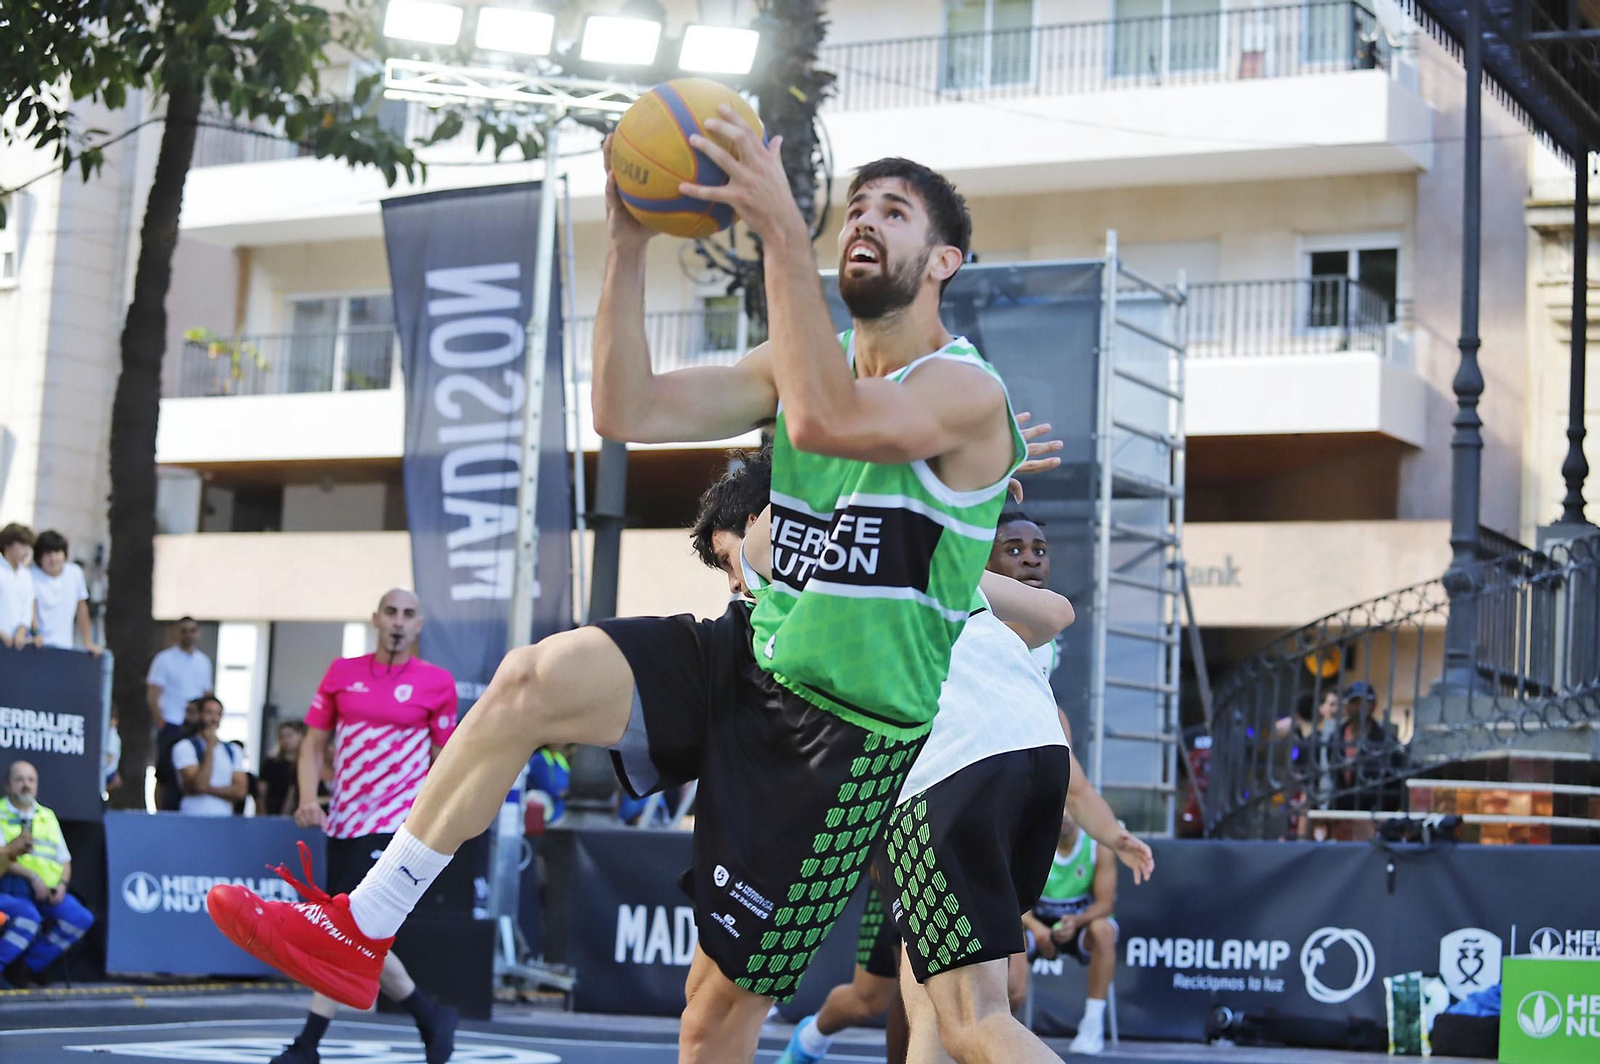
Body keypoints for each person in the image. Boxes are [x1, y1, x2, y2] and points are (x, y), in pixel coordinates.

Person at [209, 134, 1025, 1064]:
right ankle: (364, 925)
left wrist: (779, 233)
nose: (866, 223)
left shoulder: (965, 390)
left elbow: (825, 418)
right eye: (859, 208)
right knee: (529, 681)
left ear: (944, 261)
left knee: (710, 1020)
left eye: (895, 212)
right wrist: (627, 243)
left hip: (842, 738)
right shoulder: (803, 360)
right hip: (749, 652)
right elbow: (626, 410)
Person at [683, 450, 1151, 1064]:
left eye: (726, 561)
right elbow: (1054, 613)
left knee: (974, 1019)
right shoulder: (919, 549)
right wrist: (957, 491)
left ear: (760, 521)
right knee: (931, 993)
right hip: (1034, 746)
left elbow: (810, 462)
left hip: (947, 767)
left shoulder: (777, 568)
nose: (735, 582)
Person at [266, 588, 459, 1064]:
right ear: (376, 619)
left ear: (419, 625)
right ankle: (430, 1017)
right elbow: (313, 745)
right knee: (355, 934)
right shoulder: (341, 673)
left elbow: (445, 761)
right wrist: (308, 798)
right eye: (391, 612)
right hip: (344, 823)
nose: (398, 622)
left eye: (408, 614)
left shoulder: (437, 683)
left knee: (349, 927)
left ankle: (308, 1044)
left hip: (399, 827)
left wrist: (442, 822)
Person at [1022, 808, 1121, 1056]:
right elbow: (1013, 901)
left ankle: (1092, 1024)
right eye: (1060, 805)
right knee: (1009, 938)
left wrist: (1076, 922)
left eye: (1071, 807)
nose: (1064, 814)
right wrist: (1038, 929)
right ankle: (1004, 1021)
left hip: (1080, 925)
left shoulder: (1098, 845)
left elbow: (1105, 905)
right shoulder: (1032, 843)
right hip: (1037, 926)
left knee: (1104, 930)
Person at [0, 761, 95, 988]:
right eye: (19, 779)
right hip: (12, 889)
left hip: (47, 892)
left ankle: (26, 966)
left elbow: (65, 859)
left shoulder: (47, 816)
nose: (26, 785)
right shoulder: (1, 812)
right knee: (28, 918)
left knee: (80, 918)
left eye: (31, 780)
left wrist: (62, 885)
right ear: (7, 785)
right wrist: (32, 877)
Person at [987, 512, 1057, 680]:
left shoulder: (1048, 642)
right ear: (984, 562)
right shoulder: (962, 627)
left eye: (1039, 551)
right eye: (1014, 550)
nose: (1032, 560)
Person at [171, 694, 248, 816]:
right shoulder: (185, 747)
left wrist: (208, 789)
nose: (214, 718)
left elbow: (240, 791)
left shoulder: (233, 750)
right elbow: (199, 784)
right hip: (192, 816)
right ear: (199, 714)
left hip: (224, 816)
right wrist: (210, 748)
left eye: (218, 714)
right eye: (209, 712)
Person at [147, 616, 213, 751]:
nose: (188, 635)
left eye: (192, 630)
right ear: (177, 632)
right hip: (171, 722)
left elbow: (207, 694)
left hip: (195, 725)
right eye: (184, 631)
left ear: (198, 633)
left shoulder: (203, 661)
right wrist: (160, 721)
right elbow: (153, 694)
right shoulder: (164, 659)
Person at [29, 530, 100, 654]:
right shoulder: (30, 575)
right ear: (39, 557)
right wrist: (36, 633)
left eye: (57, 552)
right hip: (36, 647)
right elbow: (30, 607)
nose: (53, 558)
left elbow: (81, 608)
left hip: (65, 646)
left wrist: (87, 641)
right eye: (48, 554)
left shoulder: (74, 573)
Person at [0, 523, 39, 649]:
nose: (26, 552)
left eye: (28, 547)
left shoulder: (26, 575)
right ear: (7, 545)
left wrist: (21, 631)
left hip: (16, 645)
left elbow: (27, 607)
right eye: (22, 545)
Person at [258, 720, 306, 817]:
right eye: (282, 737)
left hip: (299, 811)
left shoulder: (305, 763)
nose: (286, 740)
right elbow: (262, 790)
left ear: (300, 735)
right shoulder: (271, 763)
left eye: (290, 735)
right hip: (273, 810)